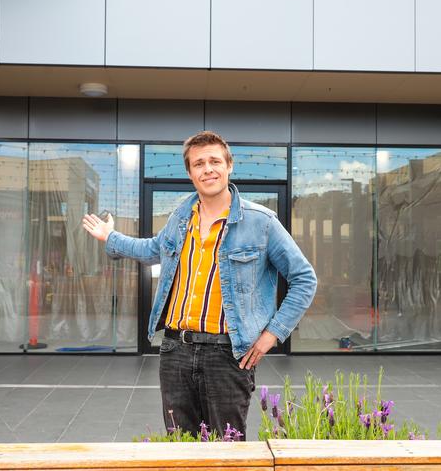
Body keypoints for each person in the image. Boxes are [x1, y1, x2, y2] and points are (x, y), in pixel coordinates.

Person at [82, 131, 316, 439]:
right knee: (181, 447)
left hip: (228, 354)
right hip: (175, 349)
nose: (208, 169)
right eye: (199, 163)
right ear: (190, 173)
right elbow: (152, 249)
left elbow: (304, 279)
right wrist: (110, 238)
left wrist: (271, 336)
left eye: (215, 161)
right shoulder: (182, 216)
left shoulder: (262, 222)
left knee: (227, 448)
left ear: (229, 166)